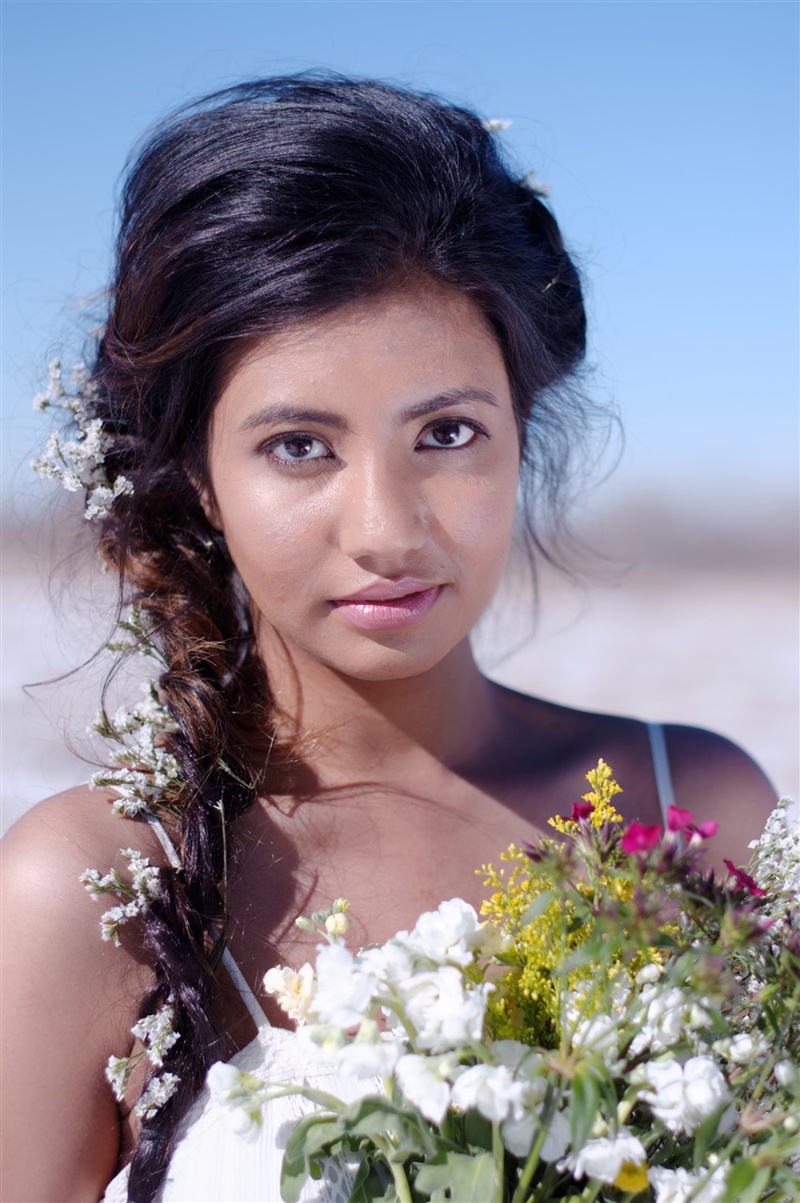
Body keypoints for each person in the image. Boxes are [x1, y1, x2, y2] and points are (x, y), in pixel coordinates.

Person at [0, 76, 776, 1203]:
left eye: (446, 433)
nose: (386, 530)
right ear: (197, 481)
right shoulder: (91, 891)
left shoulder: (698, 809)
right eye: (299, 447)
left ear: (519, 435)